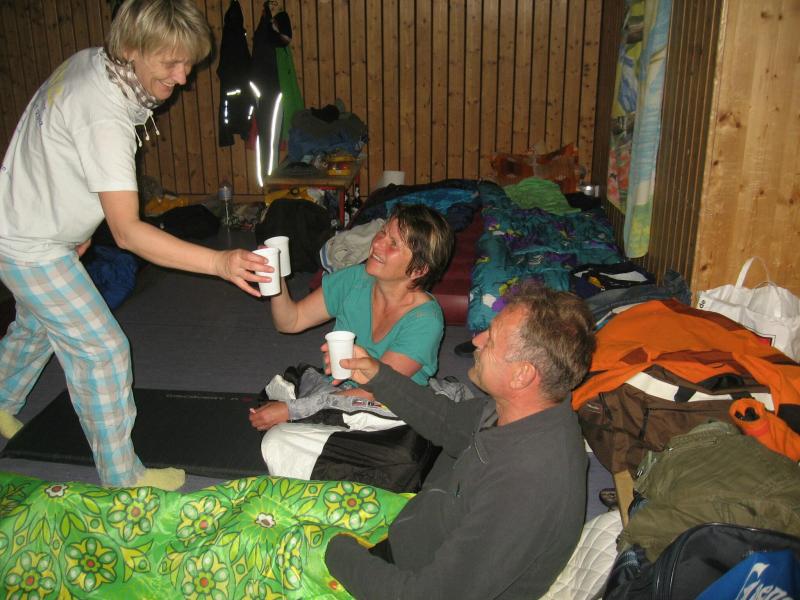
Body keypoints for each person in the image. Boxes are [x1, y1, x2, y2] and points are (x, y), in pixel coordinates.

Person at [0, 0, 273, 491]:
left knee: (36, 325)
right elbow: (127, 232)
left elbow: (52, 149)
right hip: (28, 243)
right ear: (131, 49)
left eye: (188, 63)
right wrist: (220, 261)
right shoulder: (104, 114)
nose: (183, 77)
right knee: (102, 352)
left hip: (26, 222)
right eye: (171, 63)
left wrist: (74, 227)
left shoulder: (91, 61)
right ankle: (123, 479)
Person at [324, 283, 596, 599]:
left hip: (408, 578)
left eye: (491, 339)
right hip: (418, 533)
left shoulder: (526, 484)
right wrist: (377, 376)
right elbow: (448, 422)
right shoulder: (524, 410)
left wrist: (336, 552)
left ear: (522, 375)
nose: (476, 340)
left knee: (282, 541)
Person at [249, 204, 454, 479]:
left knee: (280, 438)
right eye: (383, 232)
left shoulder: (425, 319)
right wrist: (274, 277)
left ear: (418, 269)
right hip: (340, 398)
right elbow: (290, 321)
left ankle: (323, 453)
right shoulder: (353, 280)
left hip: (387, 413)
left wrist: (294, 411)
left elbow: (376, 391)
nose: (377, 243)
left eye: (393, 244)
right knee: (278, 431)